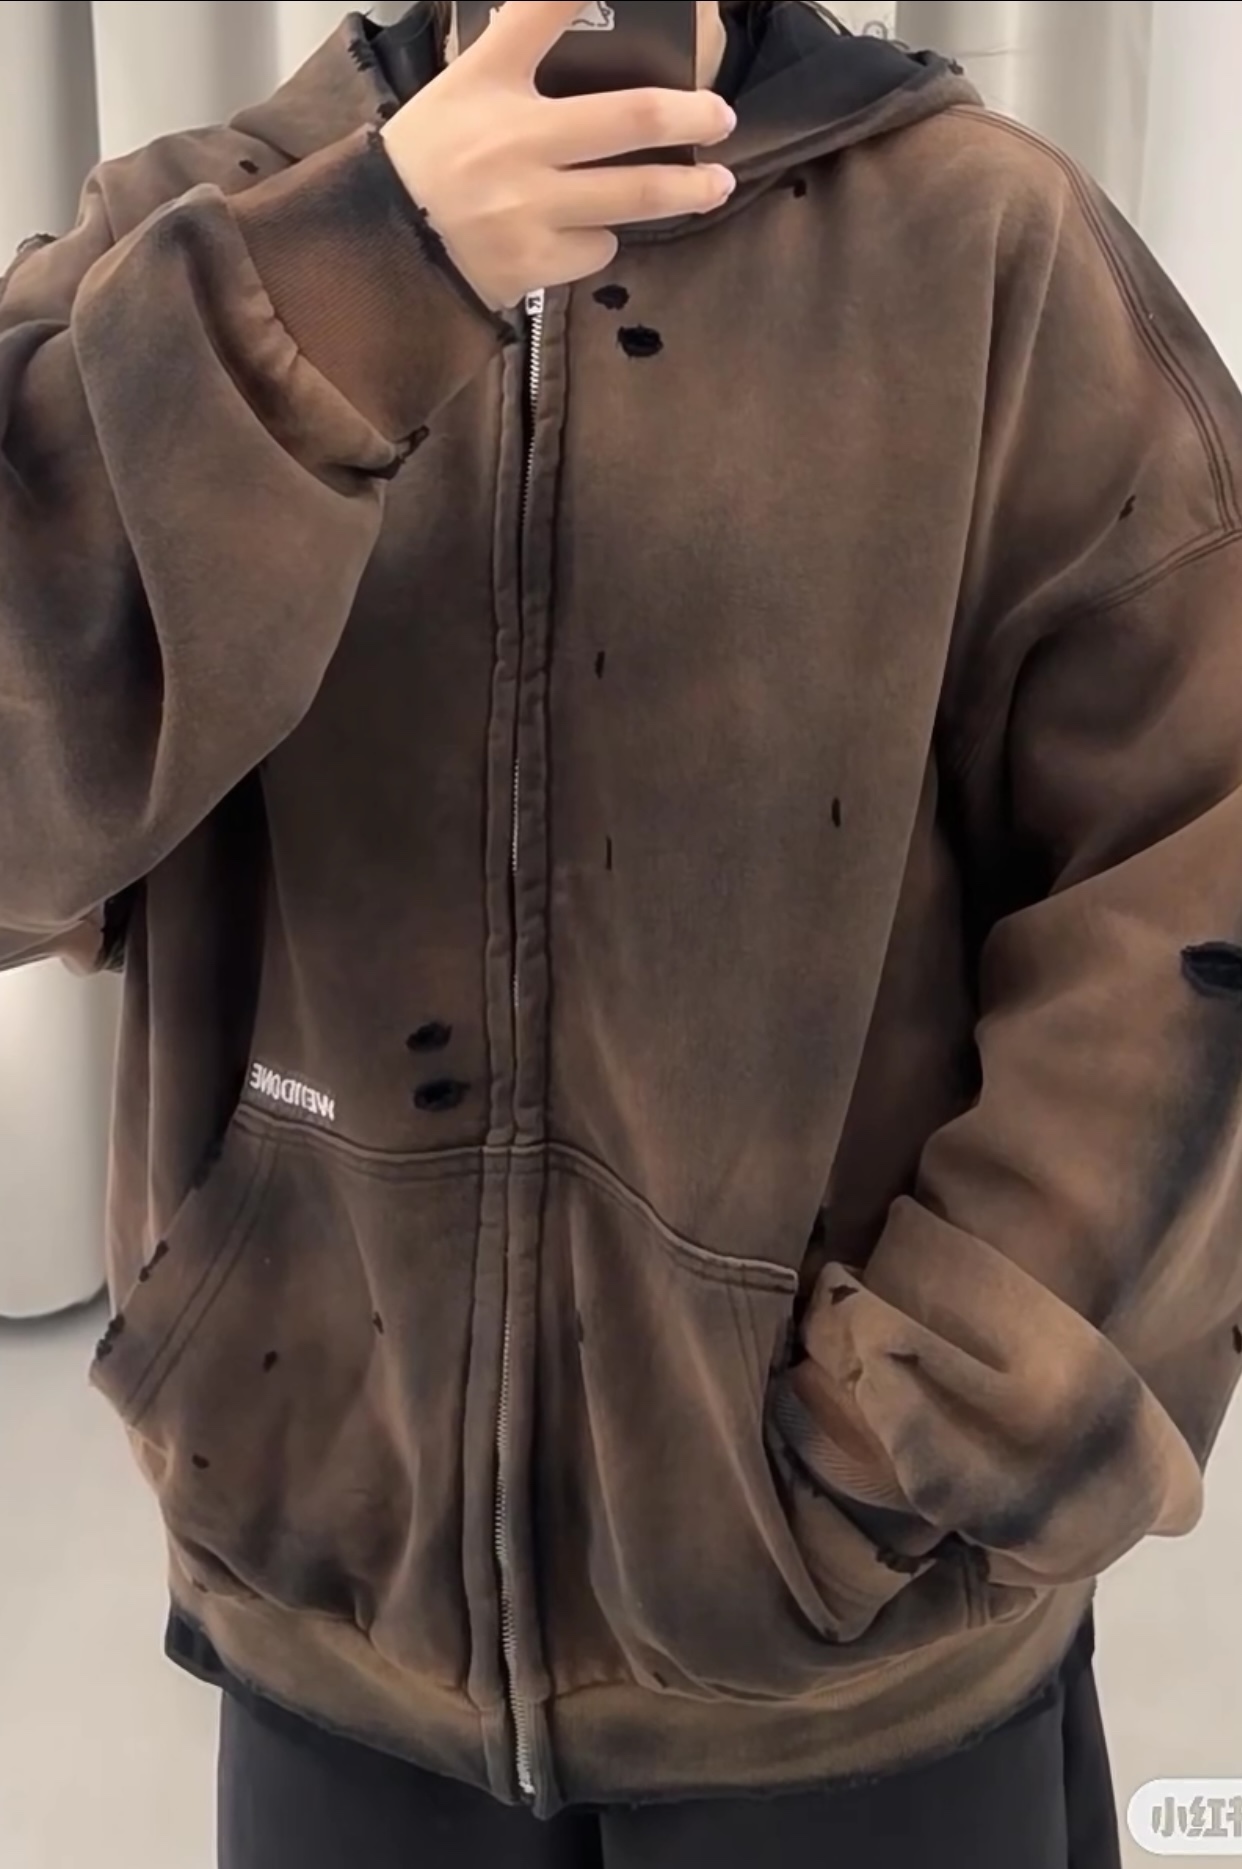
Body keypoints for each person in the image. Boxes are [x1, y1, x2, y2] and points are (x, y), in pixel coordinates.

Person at [3, 0, 1241, 1862]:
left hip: (855, 1673)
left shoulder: (988, 249)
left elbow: (1192, 872)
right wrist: (355, 281)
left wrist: (943, 1431)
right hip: (340, 1626)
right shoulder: (193, 234)